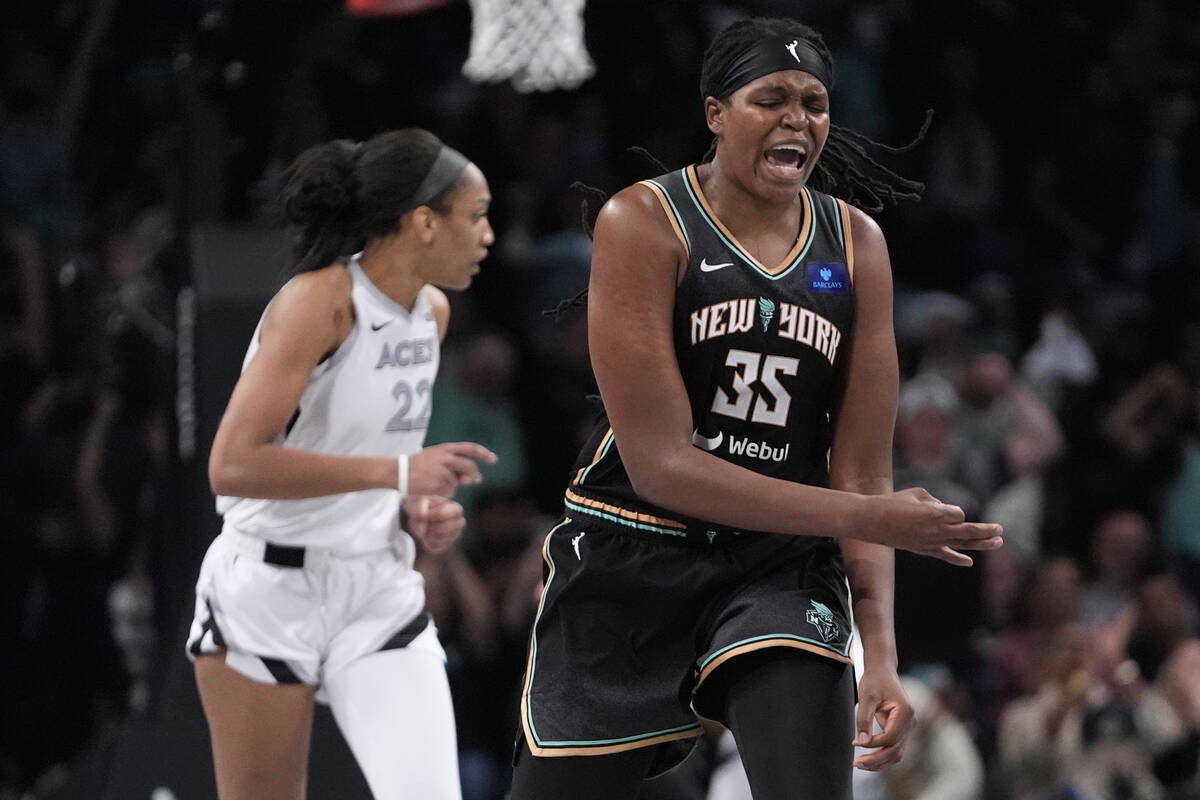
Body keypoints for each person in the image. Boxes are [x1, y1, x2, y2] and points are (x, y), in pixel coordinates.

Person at [507, 17, 1003, 800]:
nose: (797, 118)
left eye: (813, 102)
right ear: (715, 112)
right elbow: (663, 466)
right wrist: (872, 519)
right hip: (637, 543)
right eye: (770, 97)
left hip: (779, 562)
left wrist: (881, 657)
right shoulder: (643, 223)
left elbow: (864, 475)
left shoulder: (856, 247)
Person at [185, 128, 498, 800]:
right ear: (422, 222)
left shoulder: (431, 314)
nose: (489, 236)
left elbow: (378, 455)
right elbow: (232, 464)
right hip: (269, 588)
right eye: (475, 217)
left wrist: (419, 509)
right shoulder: (319, 302)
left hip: (376, 587)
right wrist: (398, 476)